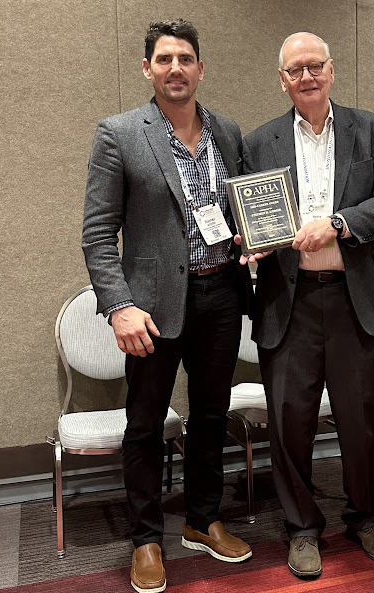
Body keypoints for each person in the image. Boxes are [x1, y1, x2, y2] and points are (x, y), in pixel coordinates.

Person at [82, 19, 253, 593]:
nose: (175, 68)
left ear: (200, 68)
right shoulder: (120, 133)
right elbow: (98, 234)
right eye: (164, 59)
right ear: (147, 69)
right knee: (145, 424)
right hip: (151, 309)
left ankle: (203, 521)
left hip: (222, 295)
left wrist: (254, 242)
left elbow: (241, 210)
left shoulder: (228, 133)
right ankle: (146, 538)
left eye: (185, 58)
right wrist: (118, 306)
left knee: (210, 417)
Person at [238, 31, 374, 579]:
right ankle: (302, 528)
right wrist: (248, 239)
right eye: (295, 70)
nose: (306, 77)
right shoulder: (259, 141)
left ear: (331, 71)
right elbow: (246, 209)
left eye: (315, 66)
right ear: (282, 79)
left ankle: (365, 517)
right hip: (290, 301)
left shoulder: (369, 129)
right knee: (291, 422)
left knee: (359, 418)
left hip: (355, 300)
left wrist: (339, 224)